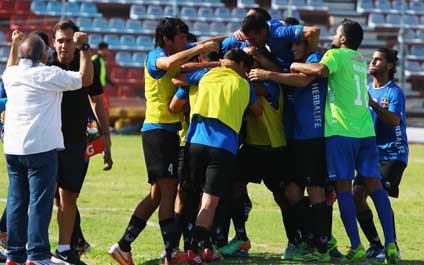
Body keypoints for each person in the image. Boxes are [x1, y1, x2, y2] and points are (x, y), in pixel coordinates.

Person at [108, 17, 219, 265]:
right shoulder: (155, 55)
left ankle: (124, 246)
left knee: (157, 194)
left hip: (165, 133)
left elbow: (191, 58)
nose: (185, 41)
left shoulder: (177, 58)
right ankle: (171, 253)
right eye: (180, 37)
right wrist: (199, 49)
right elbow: (168, 63)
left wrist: (232, 39)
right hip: (158, 132)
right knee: (168, 193)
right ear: (167, 39)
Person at [290, 19, 398, 264]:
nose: (334, 37)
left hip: (341, 131)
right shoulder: (360, 61)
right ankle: (391, 243)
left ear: (344, 39)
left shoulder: (335, 55)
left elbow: (319, 71)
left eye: (337, 34)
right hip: (365, 132)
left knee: (343, 190)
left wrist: (294, 64)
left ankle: (357, 246)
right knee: (375, 186)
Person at [2, 29, 92, 265]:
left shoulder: (11, 75)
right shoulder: (49, 73)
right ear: (44, 56)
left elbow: (11, 65)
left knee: (16, 201)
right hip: (40, 148)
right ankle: (38, 255)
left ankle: (14, 255)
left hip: (12, 148)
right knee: (39, 203)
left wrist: (14, 45)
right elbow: (84, 79)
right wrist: (83, 48)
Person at [249, 39, 333, 262]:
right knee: (292, 192)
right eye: (291, 46)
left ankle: (322, 246)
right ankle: (308, 239)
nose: (293, 49)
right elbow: (282, 72)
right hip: (294, 140)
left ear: (308, 46)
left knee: (316, 191)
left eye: (298, 46)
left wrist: (268, 75)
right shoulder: (289, 65)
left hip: (313, 138)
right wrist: (258, 55)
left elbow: (303, 81)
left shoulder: (314, 60)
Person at [181, 48, 262, 264]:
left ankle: (187, 246)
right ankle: (198, 248)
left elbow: (180, 73)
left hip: (195, 143)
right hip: (224, 147)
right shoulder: (245, 84)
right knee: (209, 202)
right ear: (243, 66)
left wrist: (213, 65)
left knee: (190, 198)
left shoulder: (206, 74)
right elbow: (258, 111)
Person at [49, 19, 112, 265]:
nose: (64, 46)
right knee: (41, 196)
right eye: (60, 40)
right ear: (53, 42)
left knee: (69, 197)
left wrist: (105, 135)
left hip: (75, 141)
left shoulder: (85, 64)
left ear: (78, 42)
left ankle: (64, 249)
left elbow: (96, 99)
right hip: (47, 141)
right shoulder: (44, 63)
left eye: (69, 41)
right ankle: (30, 248)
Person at [353, 48, 408, 261]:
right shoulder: (366, 89)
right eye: (372, 59)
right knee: (357, 195)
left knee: (379, 195)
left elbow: (394, 120)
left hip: (394, 153)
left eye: (378, 60)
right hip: (370, 154)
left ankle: (392, 245)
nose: (372, 62)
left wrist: (373, 105)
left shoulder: (394, 92)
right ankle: (375, 244)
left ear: (390, 66)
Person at [91, 41, 115, 119]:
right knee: (102, 108)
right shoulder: (96, 59)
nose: (107, 52)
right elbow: (95, 74)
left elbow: (102, 76)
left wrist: (111, 83)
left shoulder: (100, 60)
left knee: (104, 108)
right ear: (103, 49)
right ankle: (102, 127)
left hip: (101, 88)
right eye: (107, 50)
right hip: (97, 89)